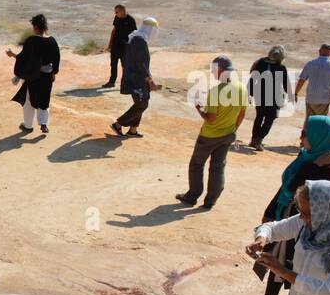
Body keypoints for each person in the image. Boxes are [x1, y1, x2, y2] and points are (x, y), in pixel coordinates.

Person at [253, 115, 330, 295]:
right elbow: (285, 187)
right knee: (274, 263)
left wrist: (313, 165)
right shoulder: (305, 157)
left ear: (320, 139)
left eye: (305, 134)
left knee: (297, 270)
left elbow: (315, 203)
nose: (301, 137)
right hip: (285, 216)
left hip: (305, 225)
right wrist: (270, 212)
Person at [176, 55, 248, 209]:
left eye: (214, 70)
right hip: (228, 135)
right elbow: (242, 113)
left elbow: (211, 118)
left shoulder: (216, 91)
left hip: (209, 136)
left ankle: (192, 196)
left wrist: (199, 110)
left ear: (221, 70)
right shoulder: (242, 88)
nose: (213, 73)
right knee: (218, 167)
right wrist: (233, 129)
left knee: (196, 164)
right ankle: (211, 200)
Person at [8, 13, 61, 134]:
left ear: (35, 27)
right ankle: (44, 124)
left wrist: (12, 55)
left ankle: (28, 126)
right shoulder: (52, 41)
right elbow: (57, 58)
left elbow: (23, 58)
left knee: (29, 100)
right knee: (44, 99)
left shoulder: (31, 41)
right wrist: (54, 72)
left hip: (33, 76)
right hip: (47, 75)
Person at [108, 16, 161, 137]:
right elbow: (141, 63)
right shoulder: (139, 41)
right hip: (137, 79)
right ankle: (118, 124)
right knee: (142, 104)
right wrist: (150, 80)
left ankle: (133, 130)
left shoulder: (136, 37)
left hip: (137, 77)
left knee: (141, 102)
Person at [247, 44, 291, 151]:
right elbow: (286, 83)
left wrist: (250, 92)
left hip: (260, 94)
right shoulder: (281, 67)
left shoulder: (260, 62)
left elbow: (253, 78)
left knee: (260, 116)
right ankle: (258, 140)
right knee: (270, 118)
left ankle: (254, 139)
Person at [294, 43, 330, 136]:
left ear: (319, 51)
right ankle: (316, 141)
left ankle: (304, 141)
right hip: (325, 98)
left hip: (311, 97)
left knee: (309, 119)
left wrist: (295, 93)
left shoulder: (311, 63)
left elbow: (302, 79)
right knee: (321, 121)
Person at [101, 4, 136, 88]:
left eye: (117, 12)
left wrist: (132, 48)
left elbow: (134, 34)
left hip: (125, 47)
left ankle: (126, 83)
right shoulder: (117, 18)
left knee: (125, 66)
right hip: (115, 45)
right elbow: (114, 31)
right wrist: (110, 44)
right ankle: (111, 82)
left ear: (123, 11)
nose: (115, 13)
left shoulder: (131, 20)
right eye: (115, 12)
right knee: (113, 65)